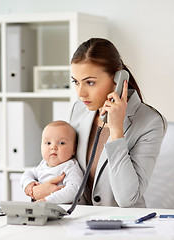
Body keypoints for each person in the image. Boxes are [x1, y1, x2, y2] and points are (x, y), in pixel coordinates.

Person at [31, 38, 166, 208]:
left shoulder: (149, 122)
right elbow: (63, 166)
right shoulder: (79, 110)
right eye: (76, 82)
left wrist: (116, 130)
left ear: (117, 78)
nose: (81, 93)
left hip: (122, 225)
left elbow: (126, 198)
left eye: (90, 82)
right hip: (79, 221)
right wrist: (39, 189)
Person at [20, 120, 83, 204]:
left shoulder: (70, 167)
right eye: (48, 143)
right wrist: (28, 184)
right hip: (42, 209)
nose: (53, 147)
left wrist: (48, 200)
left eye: (61, 143)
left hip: (63, 210)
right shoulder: (43, 165)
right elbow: (27, 174)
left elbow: (75, 190)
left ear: (74, 150)